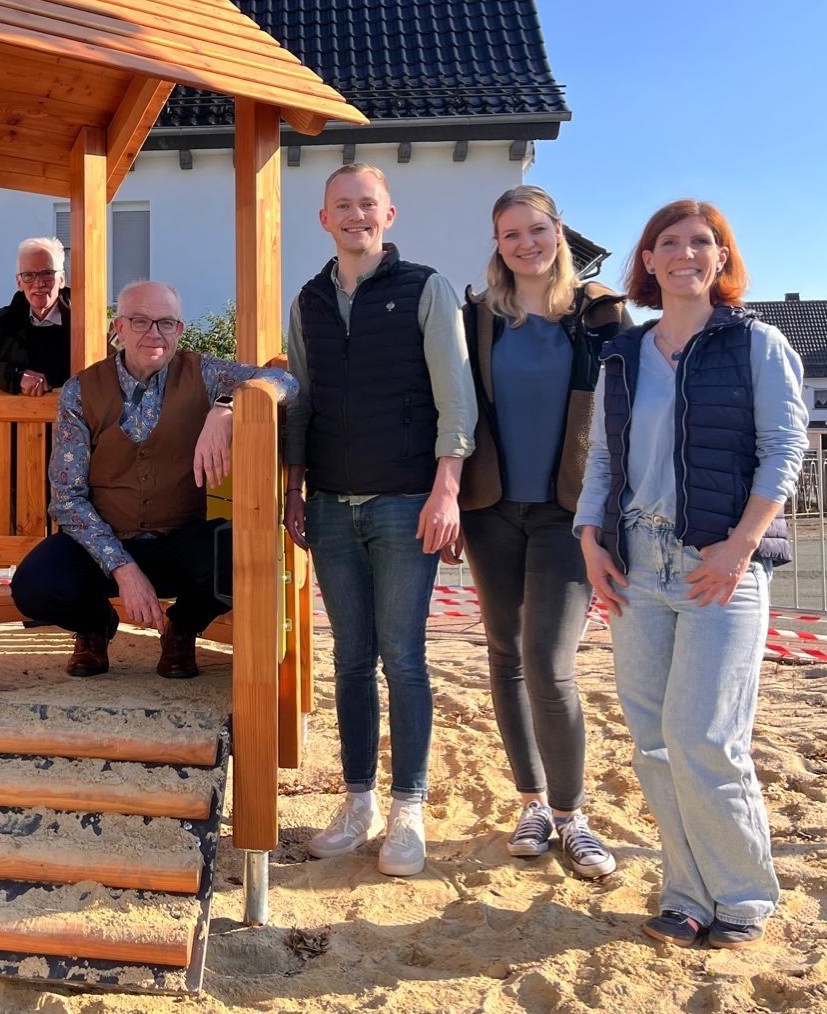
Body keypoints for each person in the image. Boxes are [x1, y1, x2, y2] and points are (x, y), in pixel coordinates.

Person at [575, 199, 808, 949]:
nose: (685, 254)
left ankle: (743, 894)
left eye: (701, 242)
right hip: (635, 565)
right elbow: (603, 458)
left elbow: (785, 450)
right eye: (668, 242)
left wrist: (741, 545)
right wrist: (590, 539)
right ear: (647, 260)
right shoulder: (623, 354)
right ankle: (686, 893)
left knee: (705, 737)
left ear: (721, 257)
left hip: (720, 566)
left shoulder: (757, 344)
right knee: (653, 741)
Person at [284, 162, 475, 878]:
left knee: (404, 658)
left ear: (388, 215)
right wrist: (294, 486)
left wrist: (446, 489)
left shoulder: (426, 288)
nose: (355, 215)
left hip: (405, 502)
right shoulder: (307, 301)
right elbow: (300, 400)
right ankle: (358, 801)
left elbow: (455, 396)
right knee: (350, 659)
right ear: (324, 219)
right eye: (343, 205)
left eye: (368, 204)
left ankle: (408, 809)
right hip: (330, 504)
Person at [451, 185, 631, 880]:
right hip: (491, 508)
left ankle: (572, 814)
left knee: (550, 663)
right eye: (510, 234)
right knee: (505, 655)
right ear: (497, 244)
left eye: (536, 230)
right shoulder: (477, 318)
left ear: (558, 232)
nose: (525, 244)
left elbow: (628, 413)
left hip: (569, 513)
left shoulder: (600, 315)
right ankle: (531, 804)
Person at [10, 280, 295, 679]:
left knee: (241, 553)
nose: (154, 333)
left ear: (179, 329)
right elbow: (67, 499)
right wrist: (122, 568)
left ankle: (182, 628)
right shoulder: (82, 390)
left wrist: (226, 407)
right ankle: (95, 626)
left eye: (165, 323)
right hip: (103, 542)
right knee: (34, 585)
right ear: (119, 328)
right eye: (140, 321)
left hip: (179, 540)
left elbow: (286, 382)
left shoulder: (204, 372)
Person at [0, 236, 72, 396]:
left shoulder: (84, 325)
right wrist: (14, 376)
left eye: (47, 273)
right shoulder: (0, 324)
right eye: (28, 275)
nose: (39, 284)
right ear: (19, 282)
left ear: (62, 279)